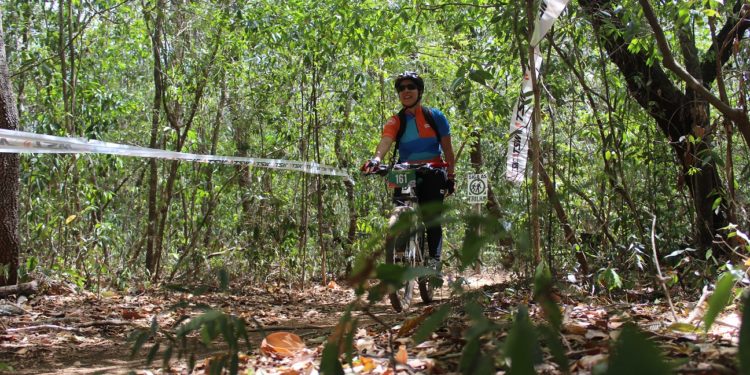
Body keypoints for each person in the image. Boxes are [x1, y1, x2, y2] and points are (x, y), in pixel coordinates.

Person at [361, 71, 456, 269]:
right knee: (400, 211)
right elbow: (385, 141)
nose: (406, 91)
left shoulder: (435, 116)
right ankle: (400, 253)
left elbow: (447, 149)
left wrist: (451, 175)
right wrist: (376, 160)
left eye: (410, 87)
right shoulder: (396, 121)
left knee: (431, 220)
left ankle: (434, 264)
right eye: (401, 88)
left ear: (419, 91)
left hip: (433, 170)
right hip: (405, 170)